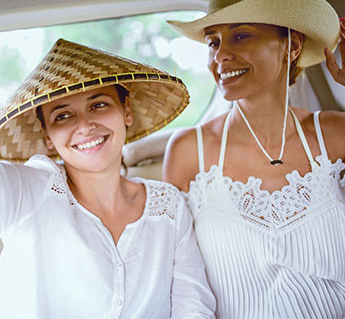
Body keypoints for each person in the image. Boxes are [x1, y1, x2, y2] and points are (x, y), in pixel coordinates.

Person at [163, 0, 345, 318]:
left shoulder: (335, 135)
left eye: (241, 35)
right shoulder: (188, 152)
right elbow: (179, 282)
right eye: (213, 42)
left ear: (291, 45)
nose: (221, 56)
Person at [0, 38, 216, 319]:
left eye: (99, 105)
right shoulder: (30, 189)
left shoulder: (169, 206)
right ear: (47, 134)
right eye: (63, 115)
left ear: (126, 110)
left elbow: (193, 307)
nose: (85, 125)